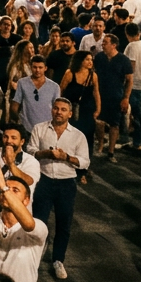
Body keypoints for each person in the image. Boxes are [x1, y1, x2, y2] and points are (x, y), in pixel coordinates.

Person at [30, 97, 89, 280]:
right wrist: (46, 153)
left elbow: (85, 162)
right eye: (56, 108)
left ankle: (58, 260)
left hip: (66, 183)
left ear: (70, 114)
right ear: (52, 110)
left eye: (63, 109)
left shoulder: (78, 135)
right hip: (43, 179)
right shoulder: (39, 128)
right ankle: (33, 258)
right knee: (38, 222)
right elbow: (30, 151)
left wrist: (67, 158)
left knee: (64, 223)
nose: (59, 112)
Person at [59, 51, 100, 183]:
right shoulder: (70, 74)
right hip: (71, 112)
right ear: (80, 60)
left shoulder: (93, 76)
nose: (90, 62)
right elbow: (61, 90)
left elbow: (96, 93)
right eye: (87, 59)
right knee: (71, 138)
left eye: (91, 60)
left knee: (87, 140)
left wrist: (98, 109)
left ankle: (83, 169)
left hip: (86, 111)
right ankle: (69, 167)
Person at [94, 34, 134, 162]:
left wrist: (126, 98)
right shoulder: (99, 57)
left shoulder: (124, 60)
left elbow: (129, 80)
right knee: (99, 122)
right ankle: (100, 143)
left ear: (114, 45)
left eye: (105, 42)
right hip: (100, 95)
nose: (102, 45)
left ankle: (111, 151)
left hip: (116, 96)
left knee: (114, 124)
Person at [12, 56, 61, 133]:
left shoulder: (54, 87)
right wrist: (19, 121)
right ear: (31, 67)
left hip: (46, 129)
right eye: (35, 67)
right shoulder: (22, 83)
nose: (37, 70)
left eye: (40, 67)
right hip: (26, 127)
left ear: (45, 68)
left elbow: (57, 108)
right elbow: (15, 104)